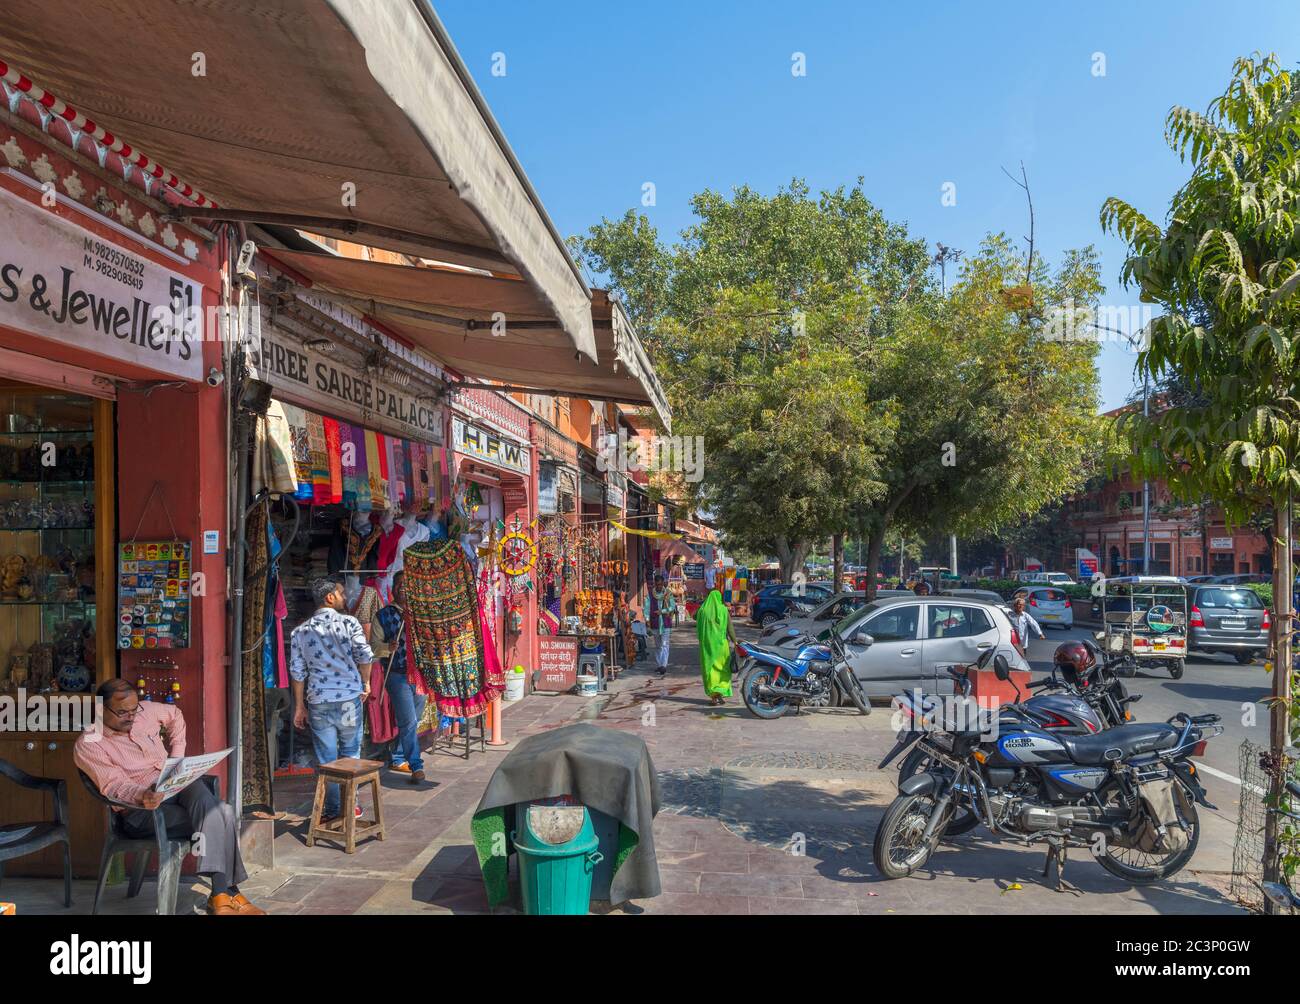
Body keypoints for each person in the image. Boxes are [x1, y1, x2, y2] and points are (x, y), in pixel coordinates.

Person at [74, 679, 265, 915]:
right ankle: (227, 893)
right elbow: (114, 785)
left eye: (134, 710)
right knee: (221, 812)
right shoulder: (90, 743)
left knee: (208, 802)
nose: (131, 717)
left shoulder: (145, 712)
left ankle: (221, 895)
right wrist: (142, 794)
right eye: (122, 712)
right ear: (100, 709)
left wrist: (176, 760)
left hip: (173, 786)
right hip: (142, 811)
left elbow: (175, 715)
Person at [290, 577, 374, 825]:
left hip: (319, 702)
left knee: (327, 760)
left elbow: (297, 672)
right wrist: (366, 682)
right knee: (350, 754)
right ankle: (351, 806)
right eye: (340, 593)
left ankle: (333, 807)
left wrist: (299, 706)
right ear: (329, 598)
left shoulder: (300, 631)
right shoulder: (349, 623)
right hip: (348, 700)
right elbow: (365, 655)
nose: (344, 597)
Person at [373, 571, 426, 785]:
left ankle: (397, 755)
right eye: (401, 585)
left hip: (419, 675)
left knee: (414, 719)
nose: (404, 589)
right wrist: (388, 647)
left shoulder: (420, 614)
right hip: (396, 675)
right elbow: (373, 647)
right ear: (394, 588)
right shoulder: (383, 615)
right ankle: (416, 765)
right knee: (409, 721)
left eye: (408, 585)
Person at [696, 589, 736, 706]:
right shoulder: (723, 610)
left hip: (707, 647)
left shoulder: (703, 611)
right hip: (721, 646)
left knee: (710, 670)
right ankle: (721, 694)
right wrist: (735, 642)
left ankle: (714, 697)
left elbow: (694, 616)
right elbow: (730, 628)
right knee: (723, 670)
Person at [643, 573, 677, 676]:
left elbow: (672, 607)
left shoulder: (668, 594)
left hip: (665, 623)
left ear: (663, 584)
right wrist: (647, 620)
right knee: (657, 645)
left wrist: (662, 611)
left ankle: (663, 666)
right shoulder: (650, 595)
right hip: (655, 623)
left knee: (664, 644)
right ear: (654, 584)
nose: (659, 586)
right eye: (657, 584)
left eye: (661, 584)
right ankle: (659, 665)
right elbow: (646, 608)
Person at [1008, 594, 1045, 658]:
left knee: (1022, 659)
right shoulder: (1009, 615)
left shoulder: (1025, 615)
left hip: (1022, 643)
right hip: (1012, 641)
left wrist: (1040, 634)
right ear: (1015, 605)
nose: (1020, 606)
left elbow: (1033, 624)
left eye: (1022, 605)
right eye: (1019, 604)